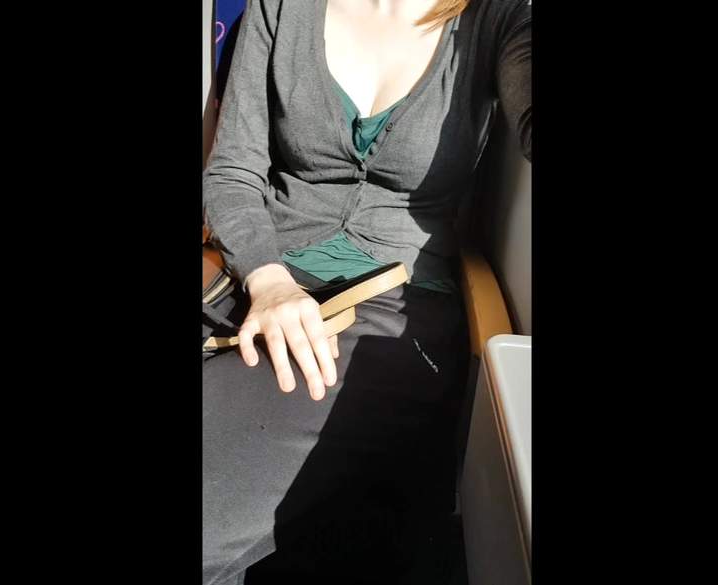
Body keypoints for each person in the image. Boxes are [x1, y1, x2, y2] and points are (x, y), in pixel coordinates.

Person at [202, 1, 531, 582]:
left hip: (390, 310)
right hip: (257, 276)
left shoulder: (496, 17)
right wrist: (268, 280)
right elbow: (233, 170)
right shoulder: (281, 7)